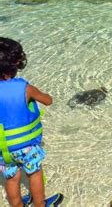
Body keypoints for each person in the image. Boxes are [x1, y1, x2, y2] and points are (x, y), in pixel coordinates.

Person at [0, 38, 62, 207]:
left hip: (3, 148)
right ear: (17, 64)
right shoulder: (24, 88)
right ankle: (40, 205)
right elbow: (48, 101)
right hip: (26, 146)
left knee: (12, 179)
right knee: (34, 174)